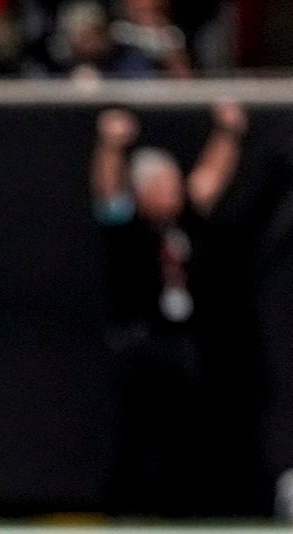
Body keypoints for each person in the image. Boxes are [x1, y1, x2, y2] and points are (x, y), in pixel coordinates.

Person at [90, 101, 248, 515]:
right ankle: (126, 508)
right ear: (142, 190)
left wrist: (227, 134)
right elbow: (107, 189)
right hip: (140, 340)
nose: (172, 194)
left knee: (192, 427)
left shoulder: (186, 221)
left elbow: (210, 180)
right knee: (135, 429)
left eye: (174, 186)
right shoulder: (127, 223)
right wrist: (110, 145)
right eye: (162, 187)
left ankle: (186, 506)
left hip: (184, 339)